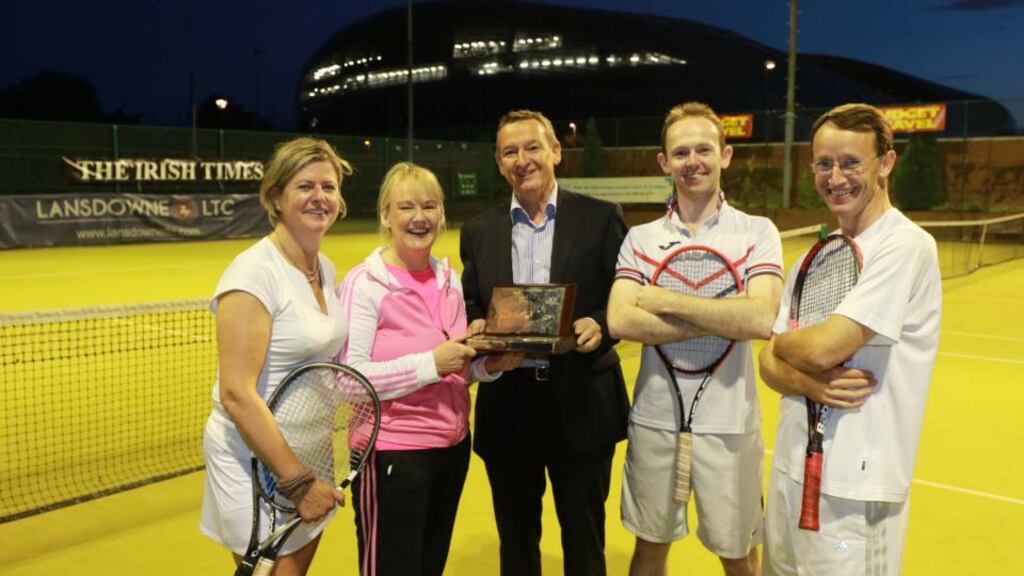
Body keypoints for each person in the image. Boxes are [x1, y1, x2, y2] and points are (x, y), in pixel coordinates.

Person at [758, 103, 942, 576]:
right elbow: (766, 365)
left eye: (850, 162)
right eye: (824, 163)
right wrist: (808, 383)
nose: (835, 177)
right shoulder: (811, 260)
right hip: (791, 475)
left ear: (885, 163)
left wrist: (782, 346)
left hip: (857, 489)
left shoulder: (905, 245)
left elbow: (820, 349)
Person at [607, 101, 783, 576]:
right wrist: (729, 312)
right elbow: (620, 320)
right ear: (664, 162)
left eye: (704, 149)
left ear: (725, 155)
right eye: (680, 153)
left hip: (730, 425)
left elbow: (764, 319)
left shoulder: (757, 232)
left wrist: (663, 299)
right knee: (649, 548)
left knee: (739, 557)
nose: (693, 162)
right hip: (654, 421)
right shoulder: (640, 238)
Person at [460, 109, 630, 576]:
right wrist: (476, 325)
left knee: (584, 542)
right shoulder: (478, 231)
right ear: (499, 163)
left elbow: (626, 296)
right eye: (509, 152)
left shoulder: (601, 218)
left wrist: (603, 324)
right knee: (516, 545)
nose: (522, 159)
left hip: (582, 404)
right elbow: (474, 304)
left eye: (532, 147)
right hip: (509, 407)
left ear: (555, 151)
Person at [336, 162, 522, 576]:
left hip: (451, 451)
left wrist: (487, 365)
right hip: (392, 455)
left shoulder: (448, 278)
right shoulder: (365, 284)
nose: (419, 217)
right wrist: (429, 364)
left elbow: (455, 364)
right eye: (406, 207)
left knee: (429, 566)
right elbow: (348, 381)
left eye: (429, 205)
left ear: (441, 213)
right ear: (386, 216)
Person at [200, 137, 353, 575]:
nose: (319, 197)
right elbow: (236, 394)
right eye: (305, 186)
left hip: (311, 453)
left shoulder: (324, 268)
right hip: (254, 464)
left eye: (329, 186)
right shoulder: (253, 273)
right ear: (276, 197)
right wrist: (299, 482)